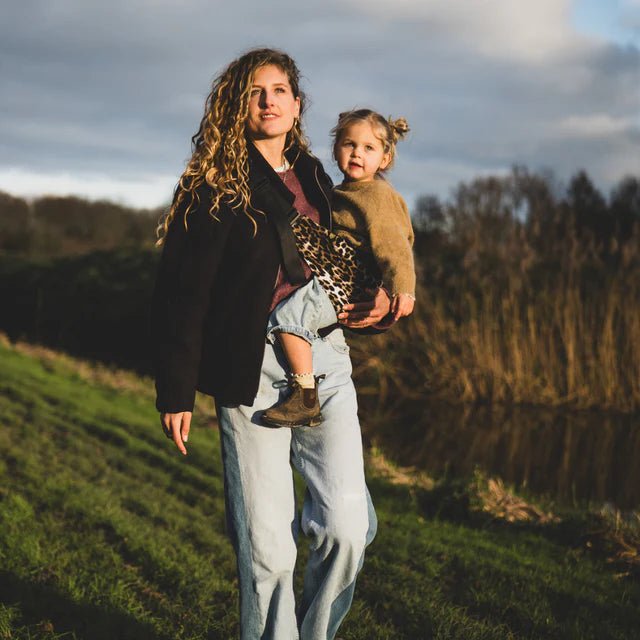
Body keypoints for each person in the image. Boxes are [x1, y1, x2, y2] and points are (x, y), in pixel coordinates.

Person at [151, 48, 392, 640]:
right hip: (251, 369)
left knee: (347, 529)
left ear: (297, 104)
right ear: (237, 105)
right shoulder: (211, 187)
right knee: (268, 551)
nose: (268, 101)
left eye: (279, 89)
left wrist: (380, 305)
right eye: (255, 91)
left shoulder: (316, 176)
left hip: (326, 361)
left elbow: (346, 259)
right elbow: (182, 293)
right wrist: (176, 390)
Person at [261, 109, 416, 429]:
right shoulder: (340, 192)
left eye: (369, 148)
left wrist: (403, 288)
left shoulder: (377, 195)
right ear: (335, 149)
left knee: (288, 318)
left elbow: (395, 245)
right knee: (293, 315)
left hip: (348, 277)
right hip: (335, 272)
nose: (357, 153)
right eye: (349, 144)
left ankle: (305, 397)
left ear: (385, 159)